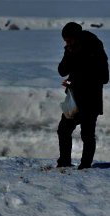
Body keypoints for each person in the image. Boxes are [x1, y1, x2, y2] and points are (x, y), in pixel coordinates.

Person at [57, 22, 109, 169]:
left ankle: (85, 166)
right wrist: (69, 54)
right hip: (74, 99)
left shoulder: (95, 48)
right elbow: (62, 70)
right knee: (64, 130)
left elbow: (104, 77)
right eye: (65, 41)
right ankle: (64, 163)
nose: (67, 43)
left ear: (76, 37)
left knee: (87, 134)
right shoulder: (71, 49)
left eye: (68, 40)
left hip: (90, 100)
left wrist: (77, 80)